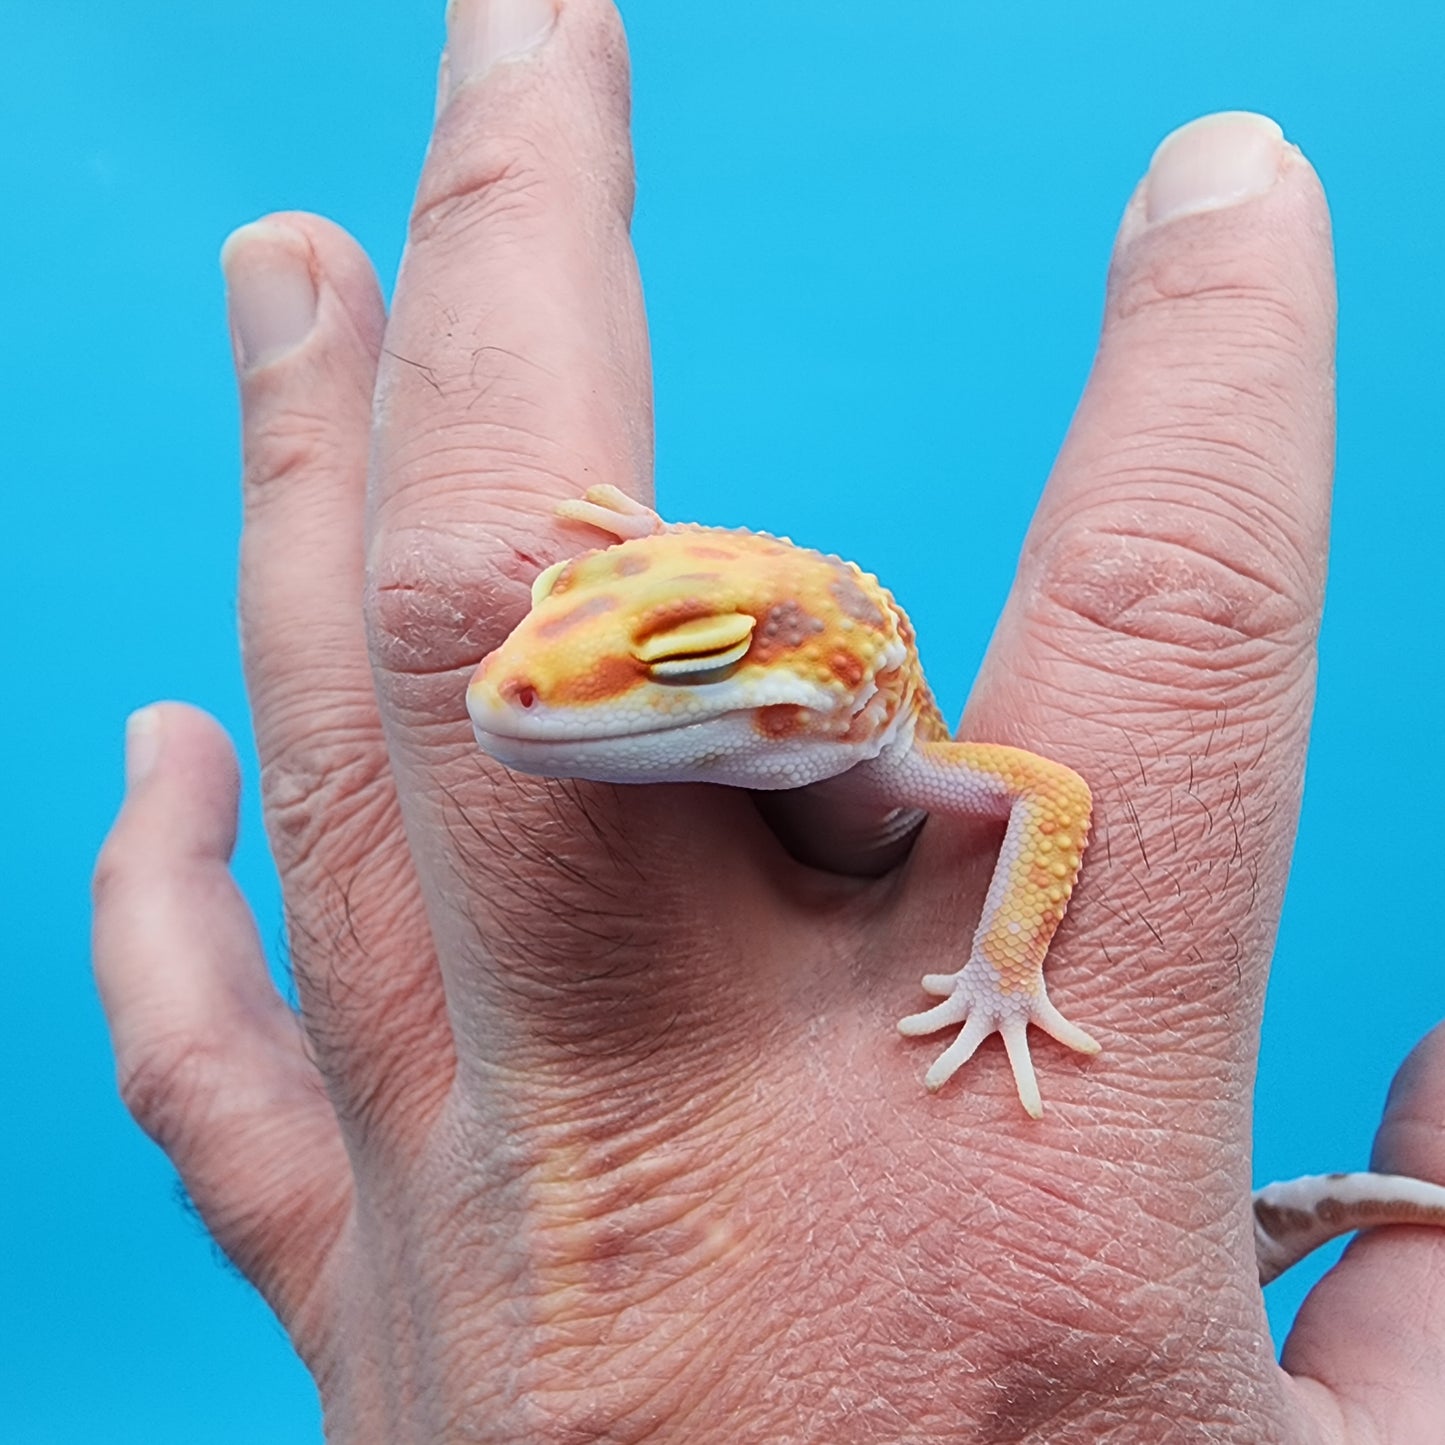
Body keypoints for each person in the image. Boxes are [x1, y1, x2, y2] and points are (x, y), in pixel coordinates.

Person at [91, 0, 1445, 1437]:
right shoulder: (733, 671)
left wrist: (1003, 974)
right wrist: (646, 569)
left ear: (842, 692)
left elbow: (1050, 794)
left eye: (682, 654)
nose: (517, 683)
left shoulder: (912, 745)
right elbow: (702, 606)